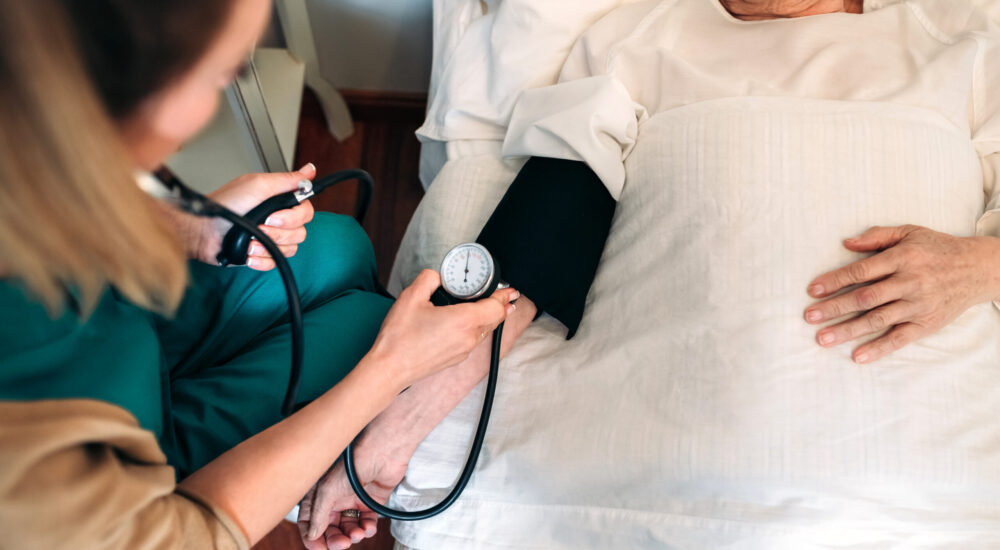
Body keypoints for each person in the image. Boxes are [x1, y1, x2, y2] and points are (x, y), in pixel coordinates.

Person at [299, 0, 1000, 547]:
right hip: (678, 429)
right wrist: (390, 432)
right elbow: (544, 235)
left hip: (936, 479)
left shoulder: (963, 39)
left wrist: (979, 265)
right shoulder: (634, 39)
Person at [0, 0, 531, 547]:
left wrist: (192, 227)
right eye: (221, 73)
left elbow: (62, 209)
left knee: (337, 246)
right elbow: (194, 532)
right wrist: (391, 371)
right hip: (145, 473)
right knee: (373, 327)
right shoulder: (28, 487)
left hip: (120, 325)